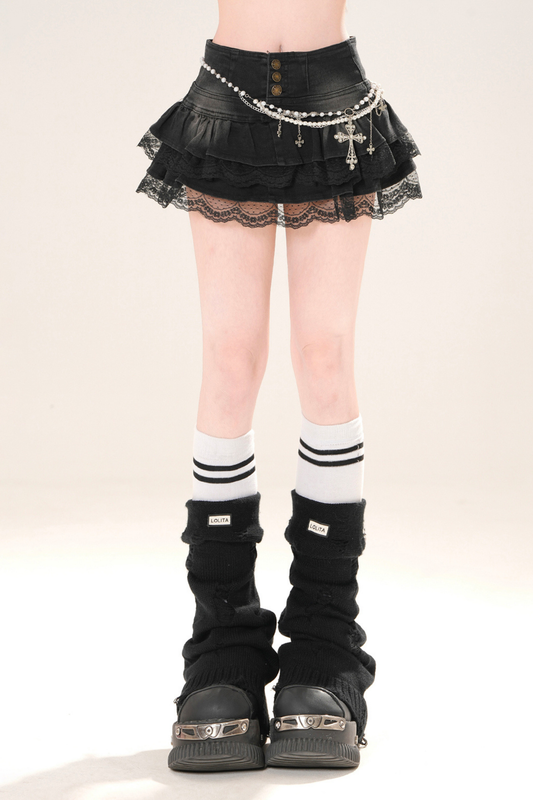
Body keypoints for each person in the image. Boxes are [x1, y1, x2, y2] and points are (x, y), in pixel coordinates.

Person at [136, 0, 422, 772]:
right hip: (227, 99)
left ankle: (323, 655)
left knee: (324, 355)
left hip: (335, 105)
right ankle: (220, 656)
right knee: (230, 359)